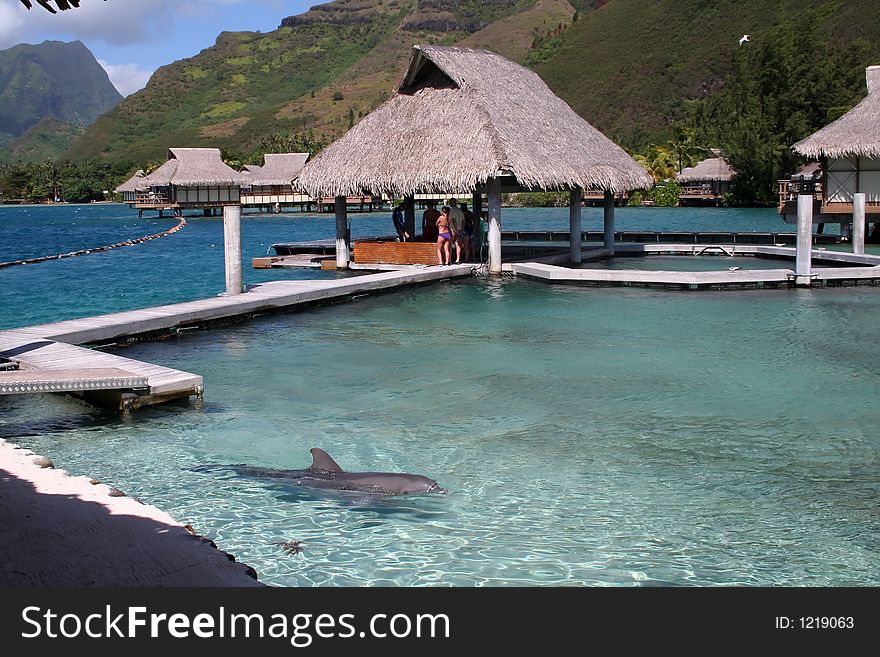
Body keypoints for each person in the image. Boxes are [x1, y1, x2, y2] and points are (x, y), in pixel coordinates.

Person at [447, 198, 465, 263]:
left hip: (453, 229)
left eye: (450, 202)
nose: (449, 203)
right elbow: (463, 220)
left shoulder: (452, 210)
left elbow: (453, 220)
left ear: (453, 202)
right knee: (458, 245)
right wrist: (462, 229)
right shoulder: (460, 210)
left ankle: (449, 259)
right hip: (460, 229)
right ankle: (458, 259)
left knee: (449, 244)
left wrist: (455, 229)